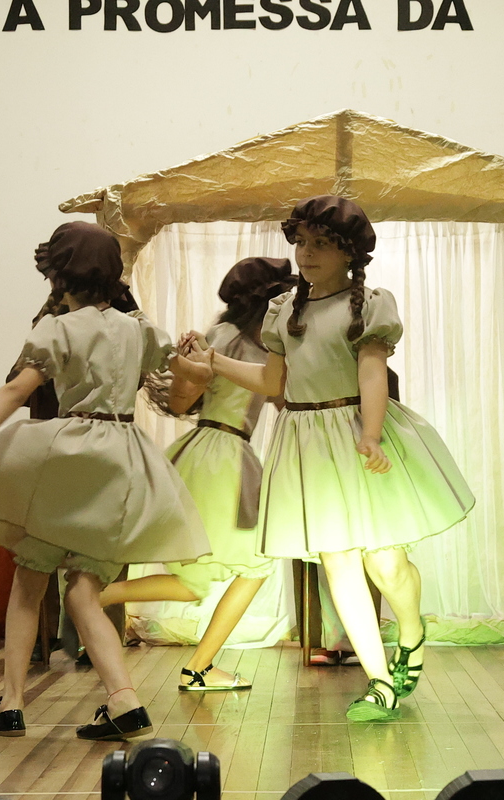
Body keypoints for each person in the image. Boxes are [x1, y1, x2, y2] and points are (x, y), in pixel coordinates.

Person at [187, 195, 474, 721]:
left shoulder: (368, 305)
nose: (306, 252)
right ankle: (381, 682)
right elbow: (272, 382)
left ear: (349, 252)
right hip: (306, 443)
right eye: (301, 242)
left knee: (386, 564)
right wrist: (215, 362)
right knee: (339, 562)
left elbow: (372, 373)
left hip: (354, 433)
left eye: (321, 243)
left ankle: (411, 632)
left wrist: (371, 435)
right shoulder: (283, 311)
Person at [0, 221, 212, 739]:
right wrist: (199, 362)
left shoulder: (59, 329)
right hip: (124, 457)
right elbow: (191, 381)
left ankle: (12, 703)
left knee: (29, 577)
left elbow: (15, 392)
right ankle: (124, 701)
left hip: (72, 458)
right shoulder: (140, 330)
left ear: (60, 276)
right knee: (84, 590)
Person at [101, 257, 296, 691]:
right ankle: (196, 666)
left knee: (198, 578)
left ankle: (96, 599)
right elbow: (282, 398)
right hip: (224, 459)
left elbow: (180, 402)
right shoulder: (259, 345)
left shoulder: (221, 337)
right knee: (254, 566)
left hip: (201, 452)